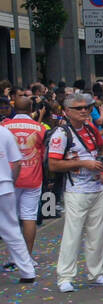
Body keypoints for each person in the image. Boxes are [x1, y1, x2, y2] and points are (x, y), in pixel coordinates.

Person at [46, 92, 103, 292]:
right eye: (79, 108)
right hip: (75, 190)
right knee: (73, 234)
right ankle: (65, 277)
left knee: (96, 234)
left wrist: (101, 167)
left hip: (96, 188)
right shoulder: (61, 134)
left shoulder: (91, 129)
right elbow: (53, 164)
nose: (85, 111)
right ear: (67, 111)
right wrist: (83, 163)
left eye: (87, 107)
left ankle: (97, 273)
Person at [2, 95, 44, 256]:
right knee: (29, 217)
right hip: (33, 179)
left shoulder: (4, 126)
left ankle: (12, 258)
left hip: (9, 178)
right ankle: (26, 257)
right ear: (31, 110)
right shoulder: (40, 128)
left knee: (9, 219)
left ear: (14, 109)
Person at [0, 121, 36, 282]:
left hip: (6, 185)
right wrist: (10, 181)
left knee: (12, 230)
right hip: (5, 186)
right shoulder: (5, 132)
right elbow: (17, 162)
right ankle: (28, 272)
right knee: (12, 230)